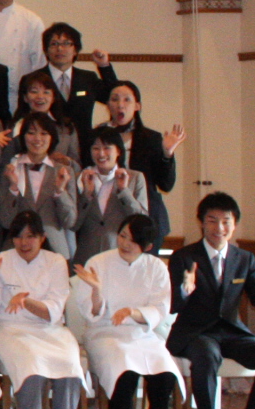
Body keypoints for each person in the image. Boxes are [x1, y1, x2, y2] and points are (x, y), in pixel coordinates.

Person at [166, 191, 255, 409]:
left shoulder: (244, 258)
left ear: (234, 224)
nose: (219, 228)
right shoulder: (184, 257)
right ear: (201, 223)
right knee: (207, 356)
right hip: (195, 332)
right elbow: (174, 305)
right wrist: (185, 290)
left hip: (231, 331)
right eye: (212, 221)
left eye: (226, 221)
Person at [0, 211, 86, 409]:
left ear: (42, 237)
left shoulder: (56, 261)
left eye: (30, 236)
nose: (24, 243)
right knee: (31, 361)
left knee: (70, 362)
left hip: (50, 329)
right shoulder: (0, 260)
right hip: (11, 329)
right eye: (18, 237)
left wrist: (25, 301)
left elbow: (53, 310)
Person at [76, 213, 183, 409]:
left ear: (148, 246)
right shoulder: (98, 262)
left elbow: (160, 307)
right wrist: (96, 290)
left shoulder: (156, 267)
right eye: (123, 236)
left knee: (164, 368)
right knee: (124, 364)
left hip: (141, 333)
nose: (125, 244)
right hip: (104, 331)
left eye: (133, 241)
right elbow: (89, 311)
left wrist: (132, 312)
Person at [103, 81, 183, 245]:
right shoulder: (98, 137)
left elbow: (166, 185)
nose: (120, 105)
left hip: (147, 216)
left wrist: (167, 153)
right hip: (108, 217)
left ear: (137, 106)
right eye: (115, 99)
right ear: (108, 105)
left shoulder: (151, 138)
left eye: (127, 100)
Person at [0, 114, 78, 261]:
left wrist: (60, 192)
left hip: (54, 251)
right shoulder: (11, 170)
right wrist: (13, 188)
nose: (37, 139)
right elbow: (5, 221)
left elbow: (70, 221)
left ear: (52, 137)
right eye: (31, 133)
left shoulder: (64, 171)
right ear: (23, 137)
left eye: (44, 133)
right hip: (17, 250)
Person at [17, 23, 116, 146]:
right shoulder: (32, 79)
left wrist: (104, 66)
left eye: (66, 43)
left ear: (75, 50)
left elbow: (113, 96)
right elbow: (21, 114)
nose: (60, 48)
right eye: (54, 44)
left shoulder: (88, 78)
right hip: (44, 147)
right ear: (46, 50)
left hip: (84, 147)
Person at [73, 126, 150, 260]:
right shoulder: (80, 178)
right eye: (96, 148)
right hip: (87, 255)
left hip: (122, 254)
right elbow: (73, 224)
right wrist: (87, 195)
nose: (101, 154)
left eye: (107, 148)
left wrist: (124, 191)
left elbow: (141, 221)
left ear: (118, 150)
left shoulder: (135, 178)